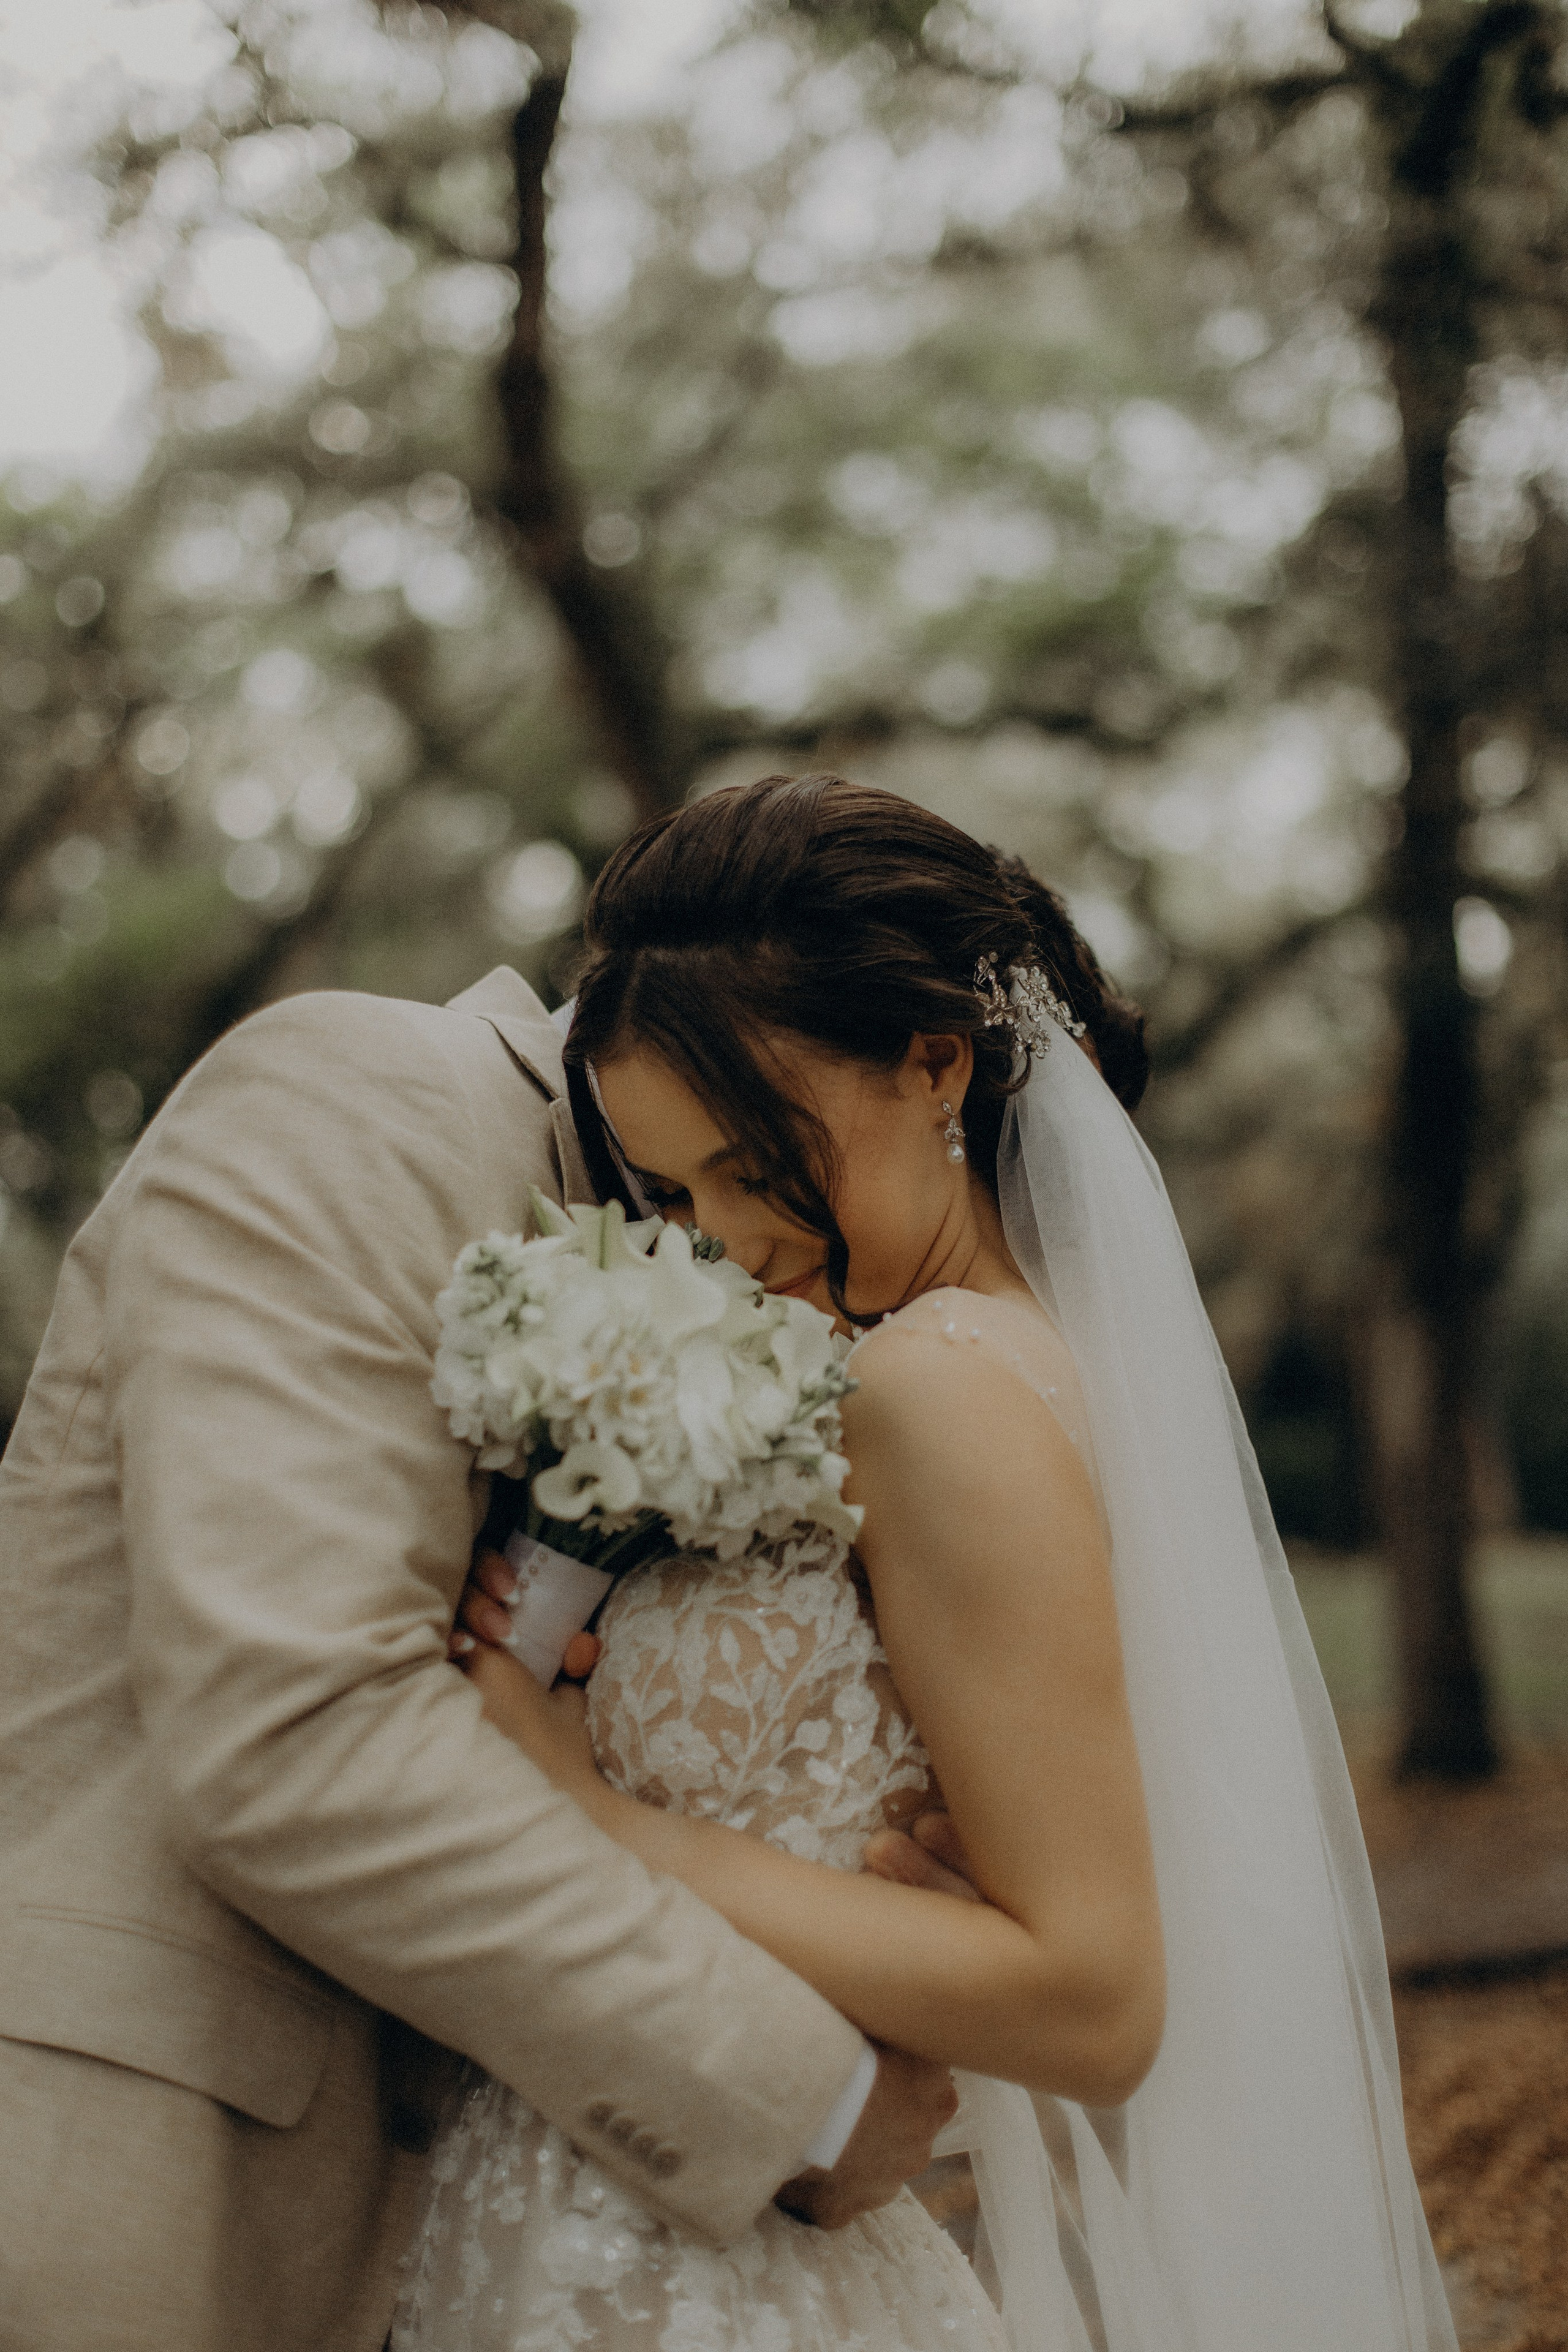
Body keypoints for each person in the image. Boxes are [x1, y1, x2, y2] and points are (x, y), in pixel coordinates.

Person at [407, 773, 1460, 2352]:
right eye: (670, 1187)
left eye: (759, 1164)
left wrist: (592, 1815)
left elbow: (1094, 2002)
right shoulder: (940, 1366)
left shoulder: (937, 1386)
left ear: (932, 1065)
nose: (723, 1241)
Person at [0, 960, 955, 2352]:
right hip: (165, 2181)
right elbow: (296, 1730)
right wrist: (802, 2094)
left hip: (541, 2231)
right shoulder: (356, 1102)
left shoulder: (822, 1306)